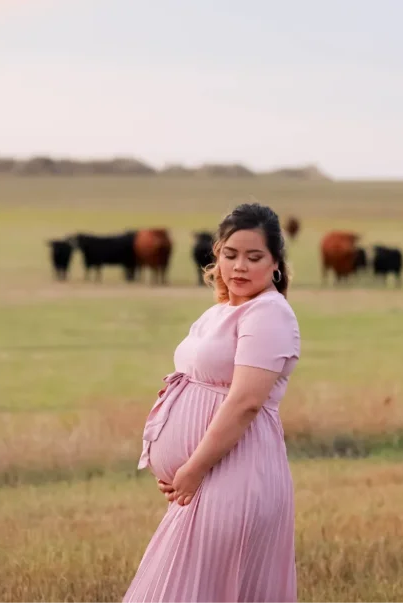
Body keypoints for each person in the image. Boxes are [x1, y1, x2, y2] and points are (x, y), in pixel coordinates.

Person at [123, 203, 301, 603]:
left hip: (235, 471)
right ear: (216, 254)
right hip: (207, 476)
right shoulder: (225, 309)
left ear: (275, 263)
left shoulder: (269, 313)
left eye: (254, 257)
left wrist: (192, 468)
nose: (239, 266)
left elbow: (245, 403)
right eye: (230, 254)